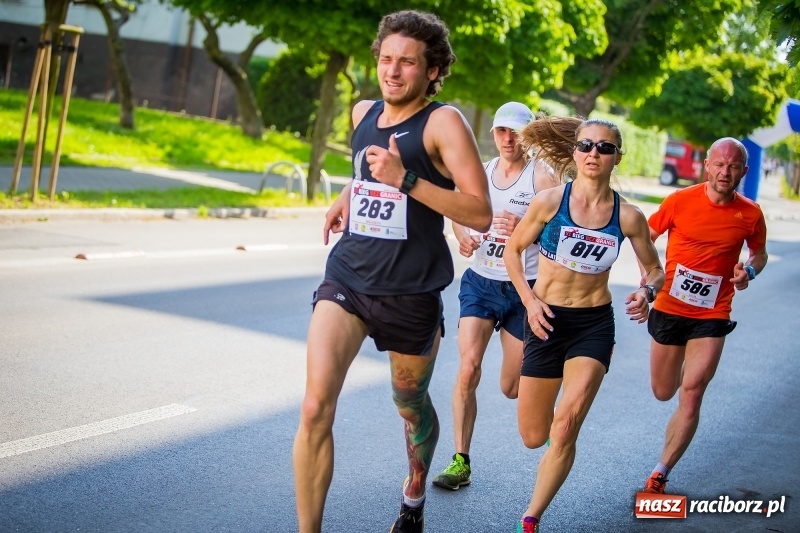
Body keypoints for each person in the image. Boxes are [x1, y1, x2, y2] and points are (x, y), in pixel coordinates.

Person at [292, 10, 492, 533]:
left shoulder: (443, 123)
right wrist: (348, 194)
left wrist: (405, 181)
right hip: (349, 280)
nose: (393, 71)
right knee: (314, 407)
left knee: (409, 402)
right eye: (385, 59)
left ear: (432, 71)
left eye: (407, 62)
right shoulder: (363, 112)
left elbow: (479, 212)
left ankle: (414, 489)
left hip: (411, 292)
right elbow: (368, 165)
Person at [504, 116, 665, 533]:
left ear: (617, 158)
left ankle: (531, 517)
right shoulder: (549, 202)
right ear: (575, 152)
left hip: (593, 324)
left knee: (567, 420)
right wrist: (529, 300)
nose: (595, 153)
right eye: (587, 145)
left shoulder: (628, 217)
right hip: (546, 319)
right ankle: (550, 459)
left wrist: (647, 294)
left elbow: (656, 271)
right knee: (534, 435)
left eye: (605, 148)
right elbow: (514, 250)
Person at [432, 102, 559, 491]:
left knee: (511, 387)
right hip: (481, 282)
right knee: (468, 367)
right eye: (502, 131)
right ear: (493, 134)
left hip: (526, 289)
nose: (508, 139)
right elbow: (458, 207)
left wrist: (528, 228)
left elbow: (560, 233)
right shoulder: (482, 173)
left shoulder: (542, 177)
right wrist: (462, 233)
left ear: (529, 135)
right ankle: (460, 461)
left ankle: (548, 397)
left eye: (516, 132)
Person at [641, 137, 768, 494]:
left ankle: (661, 472)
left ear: (743, 171)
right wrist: (650, 275)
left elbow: (759, 254)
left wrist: (750, 272)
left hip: (713, 312)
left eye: (733, 166)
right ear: (707, 165)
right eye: (719, 164)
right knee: (664, 391)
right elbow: (644, 236)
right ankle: (676, 392)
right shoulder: (680, 201)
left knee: (693, 392)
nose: (725, 172)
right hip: (669, 307)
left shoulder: (751, 214)